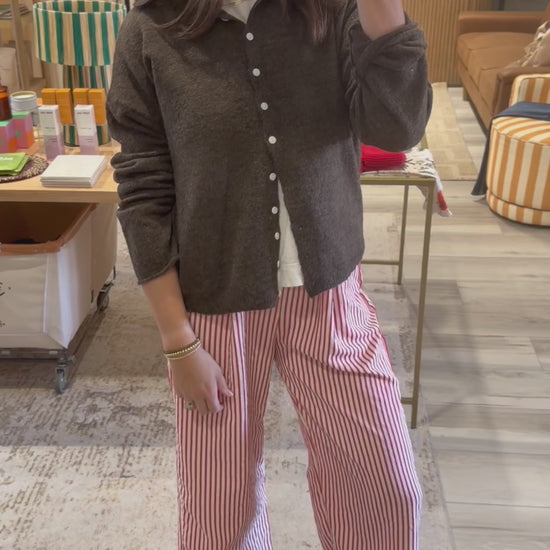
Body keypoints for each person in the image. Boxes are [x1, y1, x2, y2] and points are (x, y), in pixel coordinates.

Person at [106, 0, 432, 548]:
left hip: (330, 296)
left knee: (385, 494)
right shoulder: (152, 29)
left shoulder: (334, 11)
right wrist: (177, 340)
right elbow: (142, 186)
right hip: (215, 303)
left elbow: (398, 128)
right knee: (219, 517)